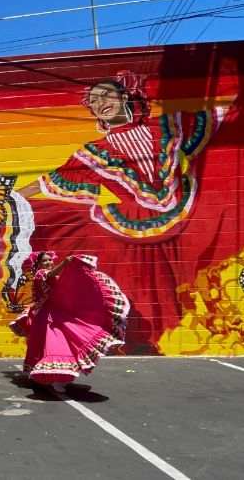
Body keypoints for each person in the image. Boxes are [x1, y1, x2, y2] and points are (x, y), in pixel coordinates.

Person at [18, 70, 240, 352]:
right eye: (94, 101)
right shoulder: (94, 151)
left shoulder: (169, 127)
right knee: (144, 285)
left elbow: (223, 117)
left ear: (125, 96)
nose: (101, 102)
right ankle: (147, 340)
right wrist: (10, 199)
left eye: (106, 94)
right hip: (129, 227)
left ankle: (189, 332)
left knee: (192, 278)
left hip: (186, 214)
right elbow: (49, 181)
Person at [9, 252, 128, 388]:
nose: (48, 263)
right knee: (55, 345)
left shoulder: (53, 275)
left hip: (54, 314)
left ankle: (56, 375)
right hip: (46, 317)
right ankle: (55, 378)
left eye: (50, 260)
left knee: (56, 344)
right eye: (45, 261)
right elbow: (50, 275)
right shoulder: (40, 274)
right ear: (39, 264)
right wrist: (64, 263)